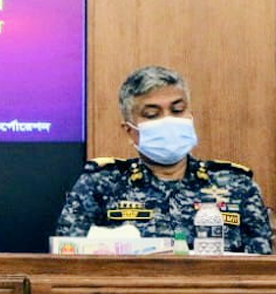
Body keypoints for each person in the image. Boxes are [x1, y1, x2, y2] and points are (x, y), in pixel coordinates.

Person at [55, 65, 272, 254]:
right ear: (130, 131)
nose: (168, 120)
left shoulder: (237, 184)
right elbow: (67, 258)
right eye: (152, 114)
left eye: (177, 110)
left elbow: (262, 268)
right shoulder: (100, 185)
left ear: (190, 117)